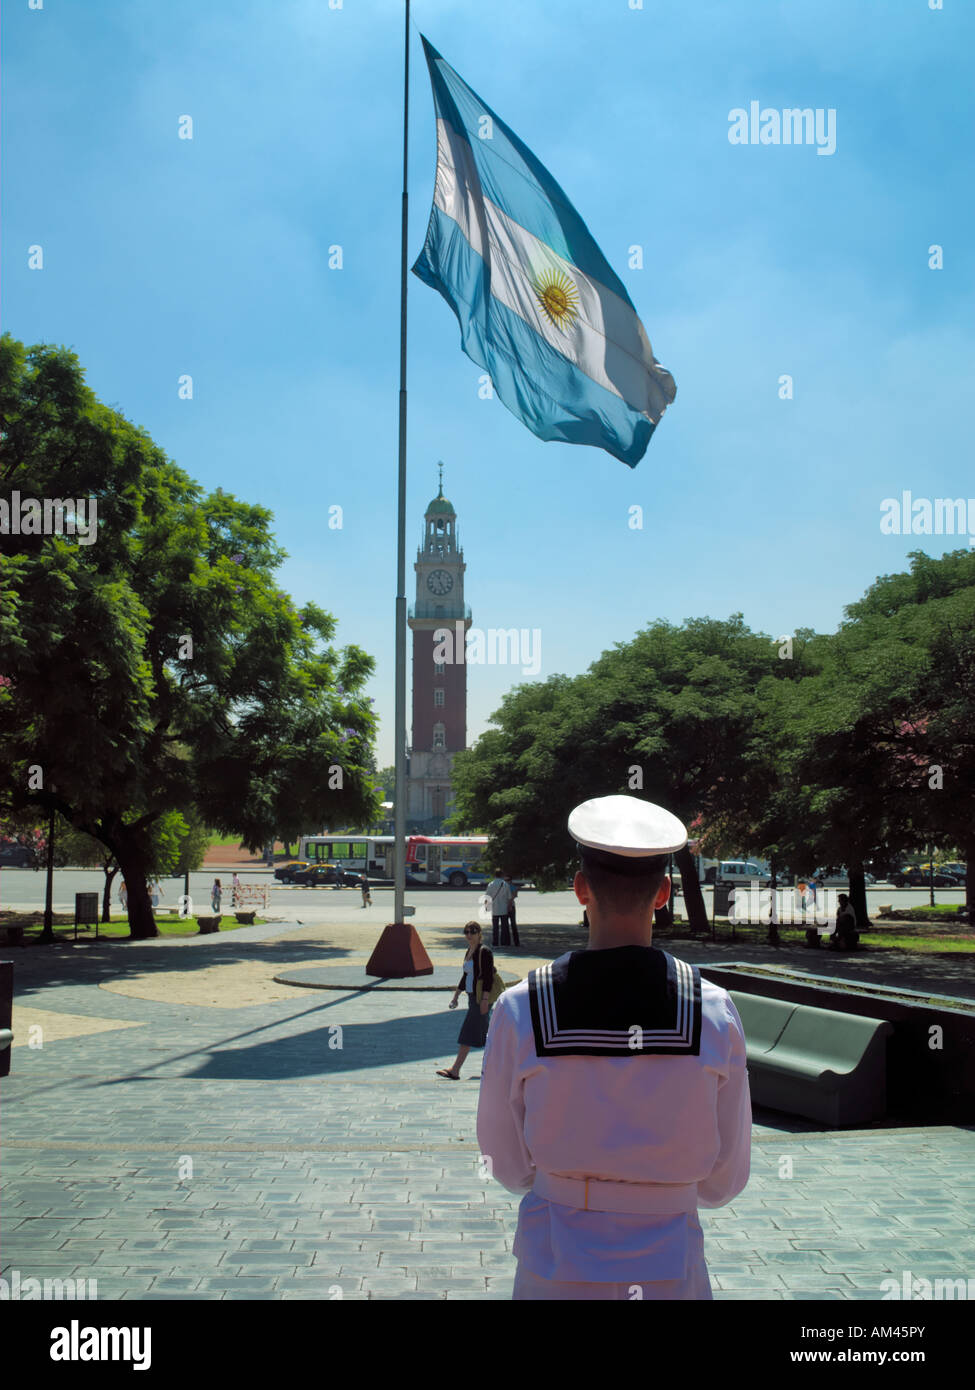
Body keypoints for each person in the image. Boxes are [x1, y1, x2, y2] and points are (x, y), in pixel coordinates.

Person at [477, 794, 752, 1300]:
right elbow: (725, 1179)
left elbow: (504, 1161)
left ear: (582, 889)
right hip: (671, 1261)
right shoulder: (712, 1009)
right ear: (664, 893)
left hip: (554, 1258)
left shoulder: (520, 1008)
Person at [437, 922, 496, 1080]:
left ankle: (455, 1069)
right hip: (472, 997)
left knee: (468, 1031)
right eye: (466, 932)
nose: (469, 935)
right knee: (489, 1035)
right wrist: (456, 995)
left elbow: (488, 977)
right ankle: (500, 1067)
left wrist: (484, 999)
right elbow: (466, 976)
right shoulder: (469, 951)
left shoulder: (484, 952)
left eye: (473, 932)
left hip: (480, 998)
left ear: (479, 933)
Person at [486, 870, 512, 947]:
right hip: (504, 909)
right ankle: (503, 943)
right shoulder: (505, 884)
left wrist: (487, 907)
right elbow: (509, 898)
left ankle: (495, 943)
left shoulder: (490, 884)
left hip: (494, 909)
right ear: (502, 875)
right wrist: (509, 907)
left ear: (495, 875)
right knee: (504, 927)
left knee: (495, 927)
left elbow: (487, 897)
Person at [504, 876, 521, 948]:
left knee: (513, 924)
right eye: (505, 880)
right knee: (506, 925)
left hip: (511, 907)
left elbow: (514, 895)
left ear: (510, 880)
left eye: (508, 880)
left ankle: (516, 942)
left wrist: (509, 905)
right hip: (505, 907)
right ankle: (507, 942)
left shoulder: (513, 887)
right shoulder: (504, 887)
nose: (506, 881)